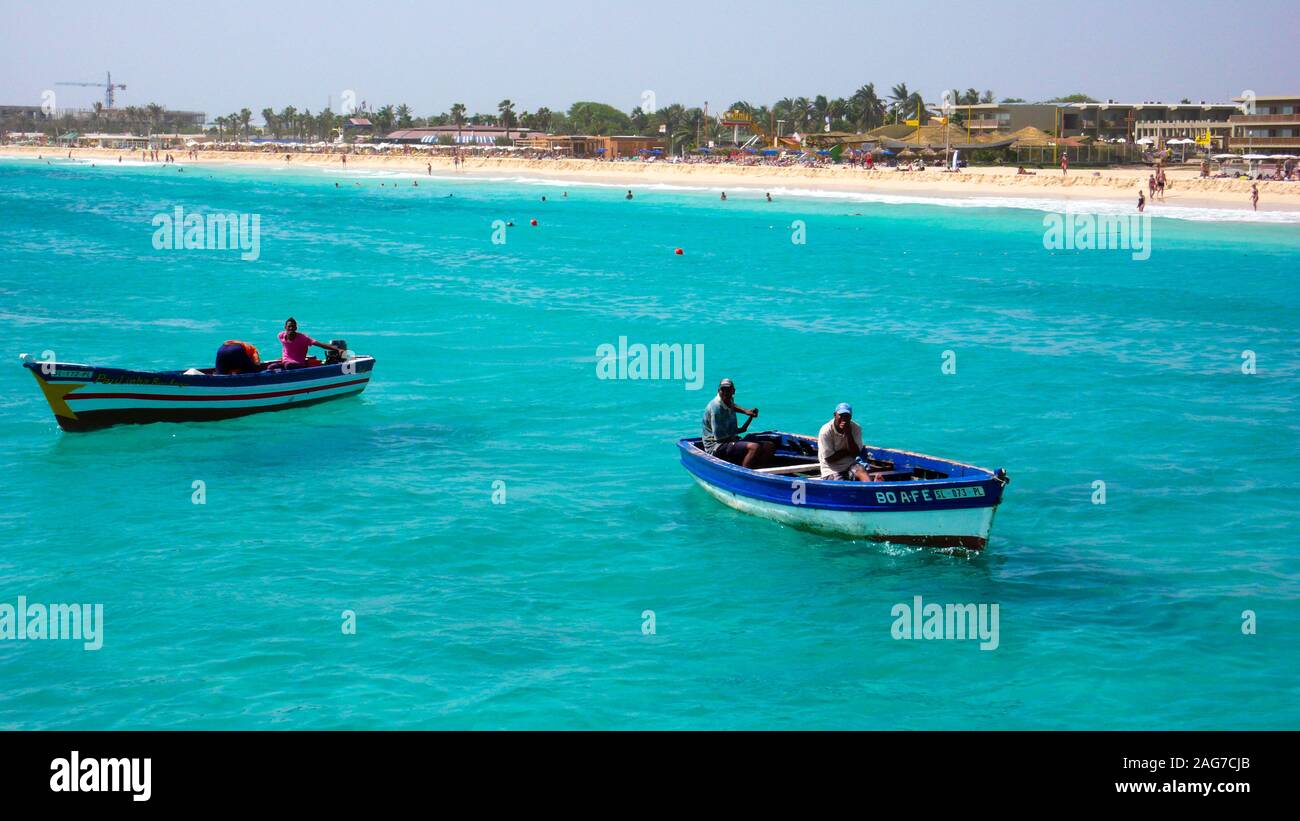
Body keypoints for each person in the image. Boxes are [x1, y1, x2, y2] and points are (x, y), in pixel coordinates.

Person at [701, 378, 773, 469]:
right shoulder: (716, 409)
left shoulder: (728, 399)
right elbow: (720, 438)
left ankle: (760, 471)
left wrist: (746, 412)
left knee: (769, 446)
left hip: (730, 438)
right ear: (718, 391)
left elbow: (732, 405)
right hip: (716, 446)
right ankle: (745, 475)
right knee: (754, 447)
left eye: (729, 390)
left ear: (733, 391)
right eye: (723, 390)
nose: (726, 393)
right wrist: (738, 440)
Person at [818, 403, 871, 481]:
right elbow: (829, 459)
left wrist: (848, 433)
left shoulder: (856, 428)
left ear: (851, 417)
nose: (844, 418)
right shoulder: (825, 431)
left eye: (847, 416)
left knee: (861, 470)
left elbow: (856, 454)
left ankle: (870, 488)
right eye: (841, 415)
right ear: (834, 415)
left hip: (850, 463)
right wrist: (847, 452)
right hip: (831, 468)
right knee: (840, 481)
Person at [276, 318, 341, 369]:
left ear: (296, 328)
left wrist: (338, 349)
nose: (291, 328)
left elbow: (320, 344)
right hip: (285, 362)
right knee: (271, 367)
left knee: (288, 365)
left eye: (293, 326)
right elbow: (287, 347)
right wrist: (283, 357)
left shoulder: (303, 338)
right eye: (289, 326)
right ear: (285, 327)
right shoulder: (281, 336)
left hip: (298, 363)